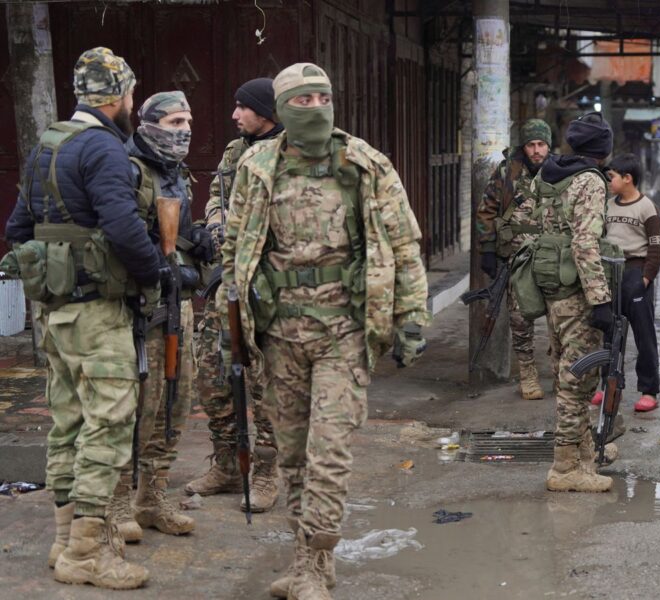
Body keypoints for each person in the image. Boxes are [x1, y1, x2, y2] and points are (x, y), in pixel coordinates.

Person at [220, 63, 429, 599]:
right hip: (279, 335)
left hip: (344, 333)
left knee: (328, 453)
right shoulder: (258, 164)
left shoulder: (364, 163)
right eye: (302, 99)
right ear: (282, 108)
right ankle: (303, 558)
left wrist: (411, 318)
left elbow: (405, 246)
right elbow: (236, 245)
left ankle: (316, 565)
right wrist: (231, 319)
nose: (314, 107)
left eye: (322, 97)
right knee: (290, 455)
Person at [2, 47, 162, 589]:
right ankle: (88, 555)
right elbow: (122, 226)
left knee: (66, 424)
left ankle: (63, 540)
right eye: (132, 95)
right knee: (109, 425)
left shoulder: (46, 146)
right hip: (96, 313)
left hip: (53, 315)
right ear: (117, 98)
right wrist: (156, 273)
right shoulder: (104, 149)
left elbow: (18, 228)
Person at [105, 91, 213, 542]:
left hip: (177, 306)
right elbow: (119, 233)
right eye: (173, 122)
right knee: (133, 409)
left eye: (187, 120)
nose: (183, 130)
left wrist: (198, 242)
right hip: (138, 309)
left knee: (176, 402)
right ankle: (115, 503)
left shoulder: (176, 174)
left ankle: (152, 498)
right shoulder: (128, 170)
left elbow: (180, 234)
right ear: (148, 124)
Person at [187, 77, 284, 513]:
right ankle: (226, 463)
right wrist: (214, 227)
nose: (234, 114)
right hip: (224, 278)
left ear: (266, 111)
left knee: (265, 384)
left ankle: (265, 471)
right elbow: (215, 198)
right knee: (211, 374)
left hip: (268, 285)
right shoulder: (233, 151)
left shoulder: (292, 153)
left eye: (242, 107)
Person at [516, 111, 618, 493]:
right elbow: (584, 242)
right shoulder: (590, 181)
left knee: (563, 370)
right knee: (577, 378)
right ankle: (564, 468)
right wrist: (601, 299)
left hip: (552, 288)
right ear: (603, 149)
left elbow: (533, 224)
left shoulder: (550, 173)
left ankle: (583, 455)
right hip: (576, 290)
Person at [475, 118, 552, 399]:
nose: (536, 150)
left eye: (541, 144)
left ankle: (559, 367)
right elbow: (487, 210)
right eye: (531, 144)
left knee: (559, 317)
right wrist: (487, 248)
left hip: (553, 259)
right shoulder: (508, 172)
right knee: (520, 319)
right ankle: (528, 372)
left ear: (548, 146)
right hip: (517, 259)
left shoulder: (559, 172)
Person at [596, 152, 660, 412]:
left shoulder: (647, 206)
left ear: (627, 178)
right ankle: (609, 387)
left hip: (636, 272)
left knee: (644, 334)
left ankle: (649, 390)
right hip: (611, 272)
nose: (608, 181)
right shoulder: (608, 205)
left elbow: (657, 247)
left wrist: (646, 278)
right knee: (610, 334)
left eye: (611, 177)